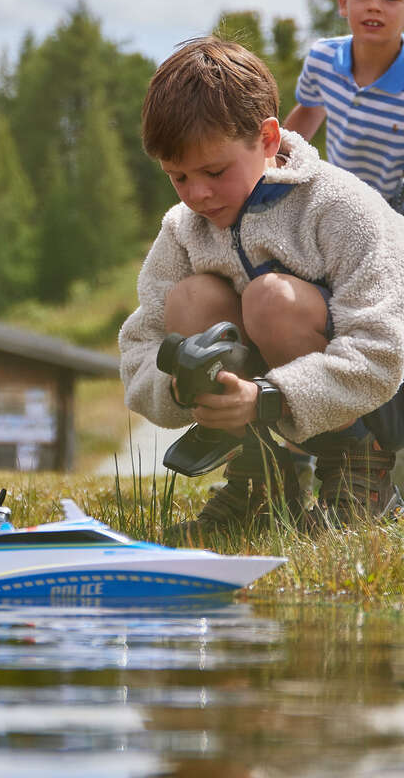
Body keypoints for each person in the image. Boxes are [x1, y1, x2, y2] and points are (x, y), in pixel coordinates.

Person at [118, 36, 404, 536]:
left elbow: (383, 350)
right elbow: (141, 345)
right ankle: (263, 482)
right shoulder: (183, 229)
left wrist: (269, 397)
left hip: (383, 396)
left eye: (214, 170)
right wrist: (184, 388)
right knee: (190, 299)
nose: (197, 193)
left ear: (269, 140)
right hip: (275, 403)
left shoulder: (341, 207)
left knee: (271, 299)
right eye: (178, 176)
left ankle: (362, 477)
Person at [285, 0, 404, 206]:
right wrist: (275, 162)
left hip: (395, 200)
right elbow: (308, 112)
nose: (374, 6)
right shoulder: (323, 58)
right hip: (339, 194)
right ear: (343, 3)